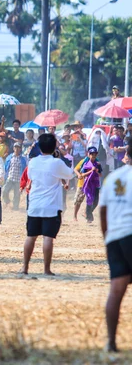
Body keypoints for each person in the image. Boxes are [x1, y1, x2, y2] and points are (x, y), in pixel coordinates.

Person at [21, 133, 75, 276]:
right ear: (54, 147)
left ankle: (25, 268)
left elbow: (31, 177)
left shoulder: (32, 162)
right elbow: (69, 174)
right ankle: (46, 269)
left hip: (34, 205)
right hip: (51, 206)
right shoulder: (56, 163)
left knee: (31, 236)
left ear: (39, 147)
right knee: (48, 237)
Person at [99, 141, 132, 352]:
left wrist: (107, 237)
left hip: (115, 237)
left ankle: (111, 342)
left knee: (116, 290)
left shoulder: (113, 178)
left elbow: (102, 211)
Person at [73, 146, 102, 223]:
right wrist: (79, 174)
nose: (93, 155)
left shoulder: (97, 163)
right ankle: (75, 216)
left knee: (93, 201)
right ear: (88, 154)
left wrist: (97, 172)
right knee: (78, 200)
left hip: (93, 184)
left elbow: (100, 173)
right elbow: (76, 169)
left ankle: (86, 213)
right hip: (82, 183)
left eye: (95, 154)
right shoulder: (84, 161)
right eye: (92, 153)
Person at [3, 142, 27, 210]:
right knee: (4, 191)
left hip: (18, 180)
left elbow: (25, 169)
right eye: (15, 147)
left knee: (17, 195)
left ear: (20, 149)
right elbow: (6, 167)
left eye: (18, 147)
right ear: (13, 148)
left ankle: (15, 207)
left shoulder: (23, 159)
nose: (16, 149)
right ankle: (7, 201)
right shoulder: (9, 157)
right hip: (10, 178)